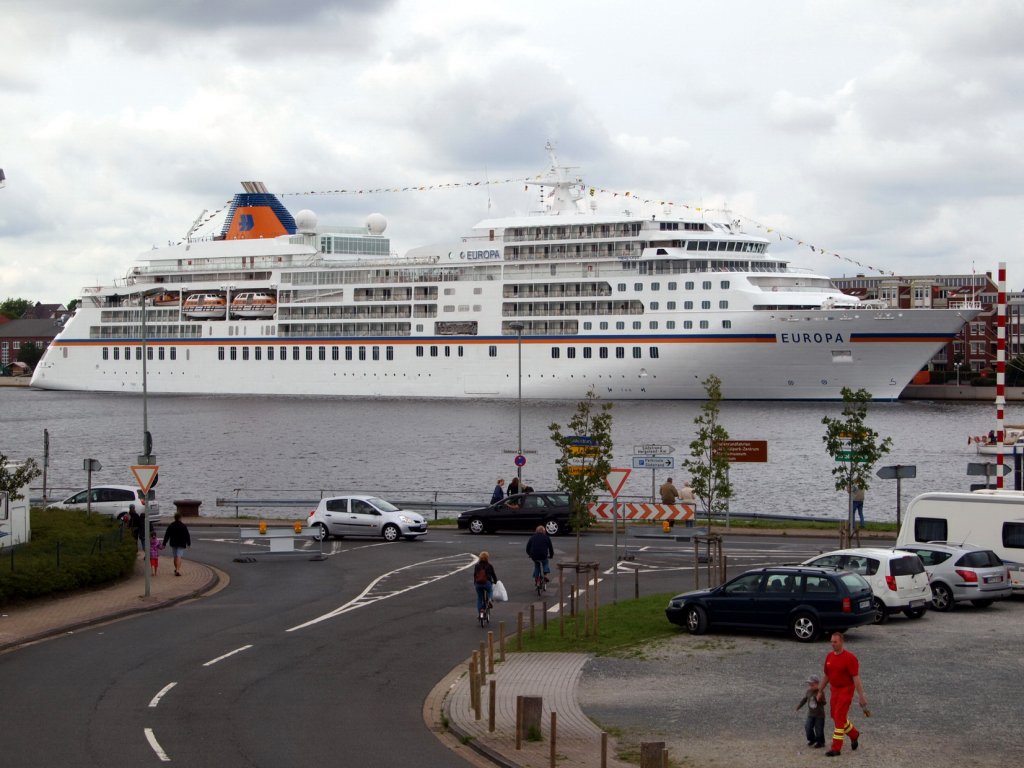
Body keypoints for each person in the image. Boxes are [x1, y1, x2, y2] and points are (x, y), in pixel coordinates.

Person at [817, 632, 868, 757]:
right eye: (831, 641)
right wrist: (819, 690)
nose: (832, 644)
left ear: (841, 642)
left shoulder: (850, 658)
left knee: (839, 716)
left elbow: (856, 678)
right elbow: (827, 676)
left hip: (846, 690)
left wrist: (861, 696)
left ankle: (836, 748)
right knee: (835, 715)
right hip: (834, 689)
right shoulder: (829, 657)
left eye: (835, 642)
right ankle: (854, 734)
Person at [797, 673, 826, 748]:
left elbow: (824, 702)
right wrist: (799, 706)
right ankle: (812, 739)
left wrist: (819, 699)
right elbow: (805, 699)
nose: (811, 687)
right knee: (808, 727)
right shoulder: (809, 691)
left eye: (812, 685)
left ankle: (821, 742)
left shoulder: (820, 692)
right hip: (811, 714)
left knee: (819, 729)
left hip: (819, 715)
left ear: (817, 684)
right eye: (810, 685)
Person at [162, 511, 192, 577]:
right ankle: (178, 570)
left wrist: (164, 543)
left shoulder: (171, 525)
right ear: (180, 518)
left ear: (175, 518)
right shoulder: (183, 526)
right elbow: (187, 535)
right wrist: (188, 543)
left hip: (173, 543)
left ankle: (176, 569)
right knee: (179, 556)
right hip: (181, 543)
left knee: (175, 557)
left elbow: (167, 535)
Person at [473, 551, 498, 616]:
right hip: (487, 583)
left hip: (478, 584)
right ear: (487, 558)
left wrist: (475, 583)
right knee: (490, 591)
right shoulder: (489, 566)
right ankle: (489, 600)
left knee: (479, 598)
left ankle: (480, 613)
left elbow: (475, 575)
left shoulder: (477, 566)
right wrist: (495, 582)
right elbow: (493, 575)